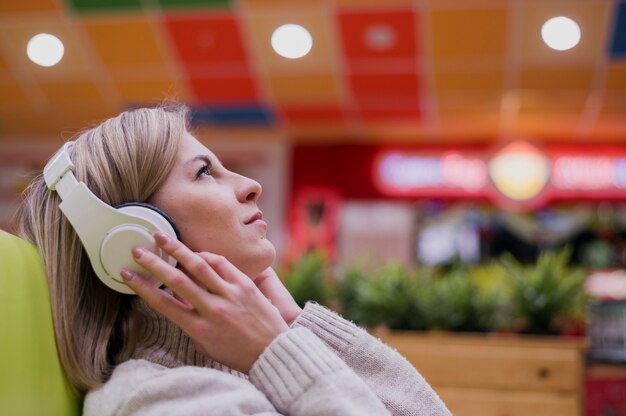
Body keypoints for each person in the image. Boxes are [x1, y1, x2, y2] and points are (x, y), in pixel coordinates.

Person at [17, 105, 451, 415]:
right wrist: (277, 350)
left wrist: (293, 325)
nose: (250, 185)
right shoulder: (159, 400)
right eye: (205, 172)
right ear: (133, 238)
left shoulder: (254, 361)